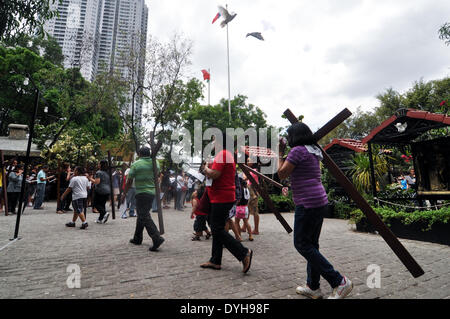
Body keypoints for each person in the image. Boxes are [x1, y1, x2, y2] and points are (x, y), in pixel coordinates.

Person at [277, 122, 353, 299]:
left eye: (289, 136)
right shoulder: (313, 150)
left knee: (302, 244)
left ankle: (339, 281)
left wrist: (280, 153)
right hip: (319, 200)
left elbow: (281, 174)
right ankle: (313, 286)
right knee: (312, 245)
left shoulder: (297, 151)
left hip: (307, 203)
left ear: (295, 136)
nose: (288, 139)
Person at [199, 133, 253, 273]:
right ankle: (215, 260)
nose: (213, 143)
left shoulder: (223, 154)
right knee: (217, 227)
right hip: (221, 196)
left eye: (214, 140)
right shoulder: (224, 155)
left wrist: (205, 169)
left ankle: (243, 253)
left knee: (217, 229)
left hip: (221, 197)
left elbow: (215, 174)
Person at [121, 147, 165, 252]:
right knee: (141, 214)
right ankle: (137, 238)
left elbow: (129, 181)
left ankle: (156, 237)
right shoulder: (156, 163)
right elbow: (157, 176)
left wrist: (124, 193)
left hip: (141, 192)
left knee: (144, 215)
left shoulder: (136, 164)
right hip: (151, 193)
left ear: (139, 154)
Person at [235, 174, 253, 241]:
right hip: (245, 208)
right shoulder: (246, 189)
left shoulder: (238, 190)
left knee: (237, 222)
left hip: (238, 208)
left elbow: (236, 199)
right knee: (246, 222)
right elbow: (248, 199)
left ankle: (239, 237)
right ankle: (250, 235)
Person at [245, 157, 260, 235]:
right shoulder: (250, 170)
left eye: (249, 161)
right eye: (247, 161)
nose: (247, 162)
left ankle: (256, 229)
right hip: (249, 193)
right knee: (247, 210)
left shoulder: (253, 171)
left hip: (253, 194)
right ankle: (244, 227)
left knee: (254, 211)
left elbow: (245, 178)